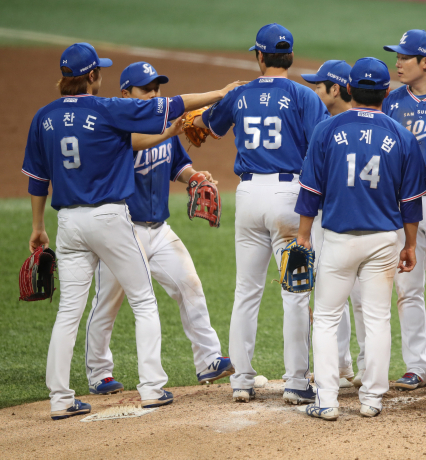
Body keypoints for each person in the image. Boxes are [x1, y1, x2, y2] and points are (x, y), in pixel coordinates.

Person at [23, 42, 239, 420]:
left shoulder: (44, 118)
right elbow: (176, 102)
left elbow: (38, 180)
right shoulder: (109, 110)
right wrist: (221, 93)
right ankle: (151, 388)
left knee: (68, 313)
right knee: (142, 301)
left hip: (68, 223)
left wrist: (38, 227)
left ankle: (60, 399)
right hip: (111, 220)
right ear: (93, 77)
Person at [84, 62, 243, 396]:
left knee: (189, 284)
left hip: (158, 228)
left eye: (156, 88)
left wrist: (195, 176)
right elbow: (138, 142)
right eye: (147, 90)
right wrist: (170, 129)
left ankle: (209, 359)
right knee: (108, 302)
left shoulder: (163, 128)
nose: (154, 95)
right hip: (122, 231)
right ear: (126, 95)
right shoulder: (115, 129)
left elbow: (178, 164)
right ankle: (99, 373)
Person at [193, 23, 330, 404]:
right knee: (295, 294)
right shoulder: (303, 96)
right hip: (290, 197)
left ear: (259, 56)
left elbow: (207, 124)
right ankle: (296, 382)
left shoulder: (240, 94)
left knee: (246, 292)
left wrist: (204, 115)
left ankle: (241, 380)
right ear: (288, 57)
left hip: (249, 195)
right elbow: (322, 146)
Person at [296, 57, 426, 420]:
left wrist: (304, 236)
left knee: (324, 318)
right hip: (384, 239)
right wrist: (411, 244)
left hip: (338, 239)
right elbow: (411, 201)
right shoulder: (402, 136)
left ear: (350, 89)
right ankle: (371, 399)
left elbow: (309, 190)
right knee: (377, 319)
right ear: (386, 92)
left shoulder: (327, 130)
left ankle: (326, 400)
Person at [381, 29, 426, 391]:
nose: (398, 62)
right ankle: (418, 367)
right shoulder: (392, 103)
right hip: (406, 207)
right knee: (407, 288)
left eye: (405, 57)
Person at [301, 60, 362, 388]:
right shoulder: (323, 123)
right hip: (352, 220)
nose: (313, 90)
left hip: (340, 220)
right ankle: (341, 366)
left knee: (354, 298)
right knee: (338, 295)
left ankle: (360, 368)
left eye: (318, 85)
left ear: (335, 89)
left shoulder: (328, 128)